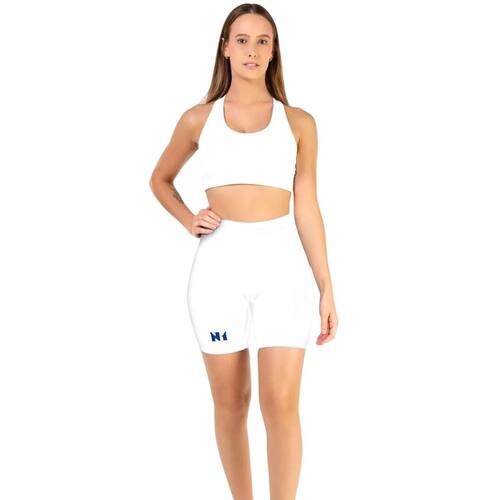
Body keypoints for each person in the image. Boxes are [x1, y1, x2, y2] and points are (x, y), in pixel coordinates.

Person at [150, 4, 338, 499]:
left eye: (262, 41)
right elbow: (160, 179)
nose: (252, 50)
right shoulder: (198, 119)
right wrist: (188, 218)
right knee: (231, 403)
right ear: (225, 48)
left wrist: (326, 286)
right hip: (218, 270)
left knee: (280, 405)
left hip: (283, 269)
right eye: (242, 40)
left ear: (274, 52)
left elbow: (307, 207)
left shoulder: (299, 123)